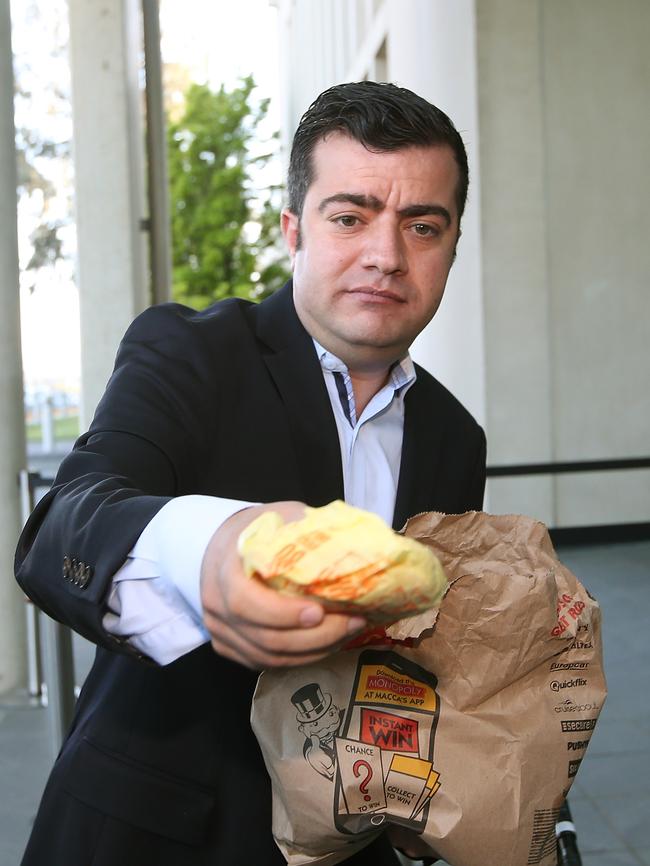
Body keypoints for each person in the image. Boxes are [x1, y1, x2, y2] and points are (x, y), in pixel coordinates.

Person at [15, 80, 486, 865]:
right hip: (158, 835)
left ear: (452, 246)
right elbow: (65, 523)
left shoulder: (455, 436)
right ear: (292, 231)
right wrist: (209, 551)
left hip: (351, 840)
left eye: (422, 225)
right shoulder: (189, 354)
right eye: (350, 216)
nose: (385, 254)